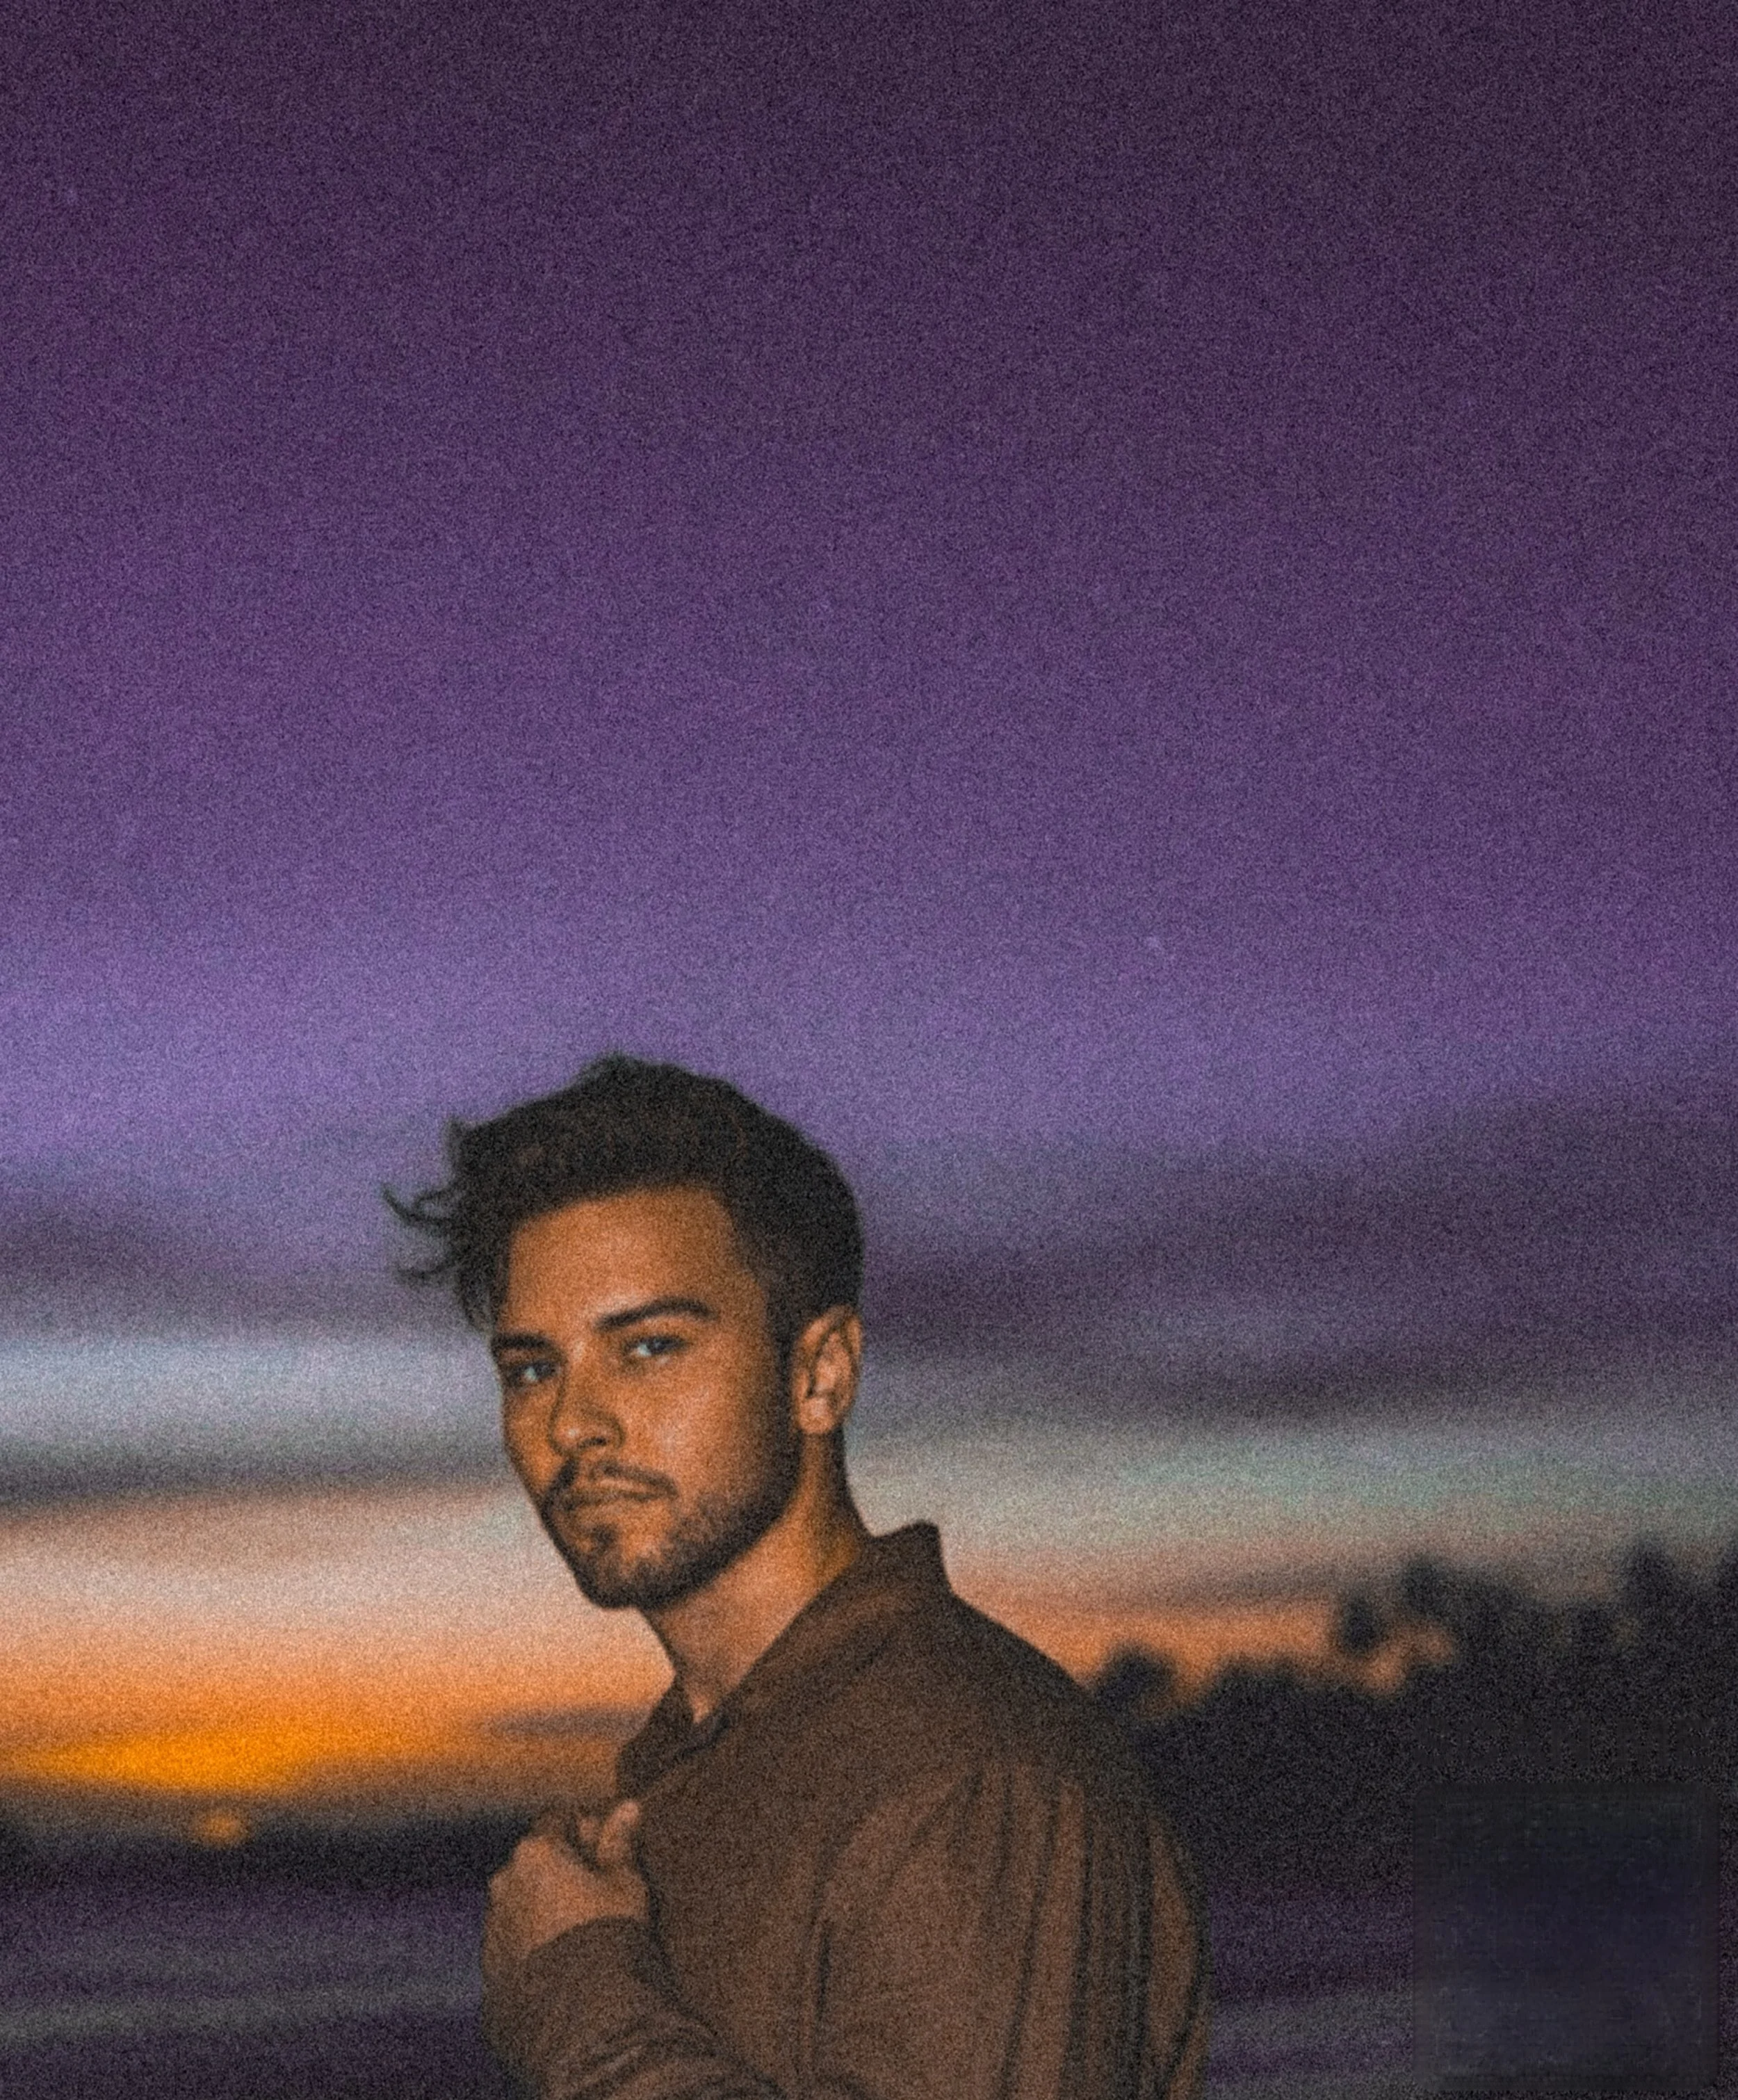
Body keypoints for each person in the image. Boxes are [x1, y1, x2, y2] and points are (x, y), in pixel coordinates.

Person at [389, 1054, 1209, 2100]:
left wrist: (578, 1995)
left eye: (648, 1348)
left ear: (818, 1375)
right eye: (533, 1369)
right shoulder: (708, 1761)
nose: (572, 1423)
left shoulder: (965, 1772)